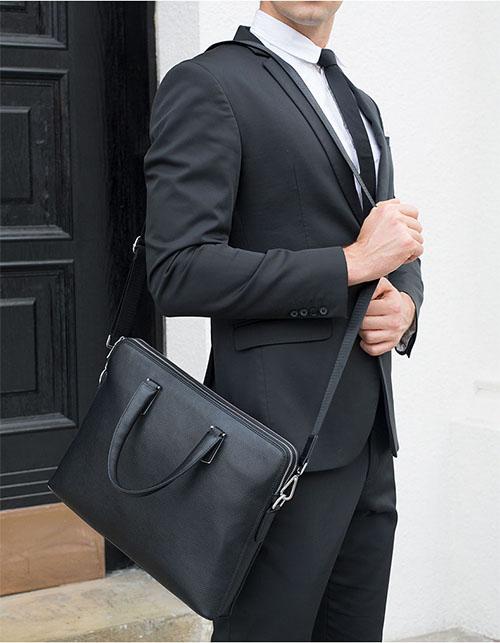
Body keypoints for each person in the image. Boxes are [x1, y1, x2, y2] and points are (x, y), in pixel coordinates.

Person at [143, 1, 424, 640]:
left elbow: (390, 238)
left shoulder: (360, 103)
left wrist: (405, 304)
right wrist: (348, 265)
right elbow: (179, 269)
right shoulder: (208, 83)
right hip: (273, 445)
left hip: (370, 441)